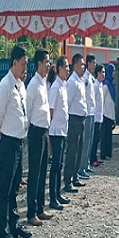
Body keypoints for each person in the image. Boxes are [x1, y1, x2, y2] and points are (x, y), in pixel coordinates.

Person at [0, 45, 32, 238]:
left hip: (18, 142)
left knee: (15, 186)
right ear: (14, 62)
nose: (25, 68)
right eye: (23, 64)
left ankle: (14, 224)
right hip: (8, 143)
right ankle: (3, 231)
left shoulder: (20, 85)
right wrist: (1, 130)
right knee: (5, 189)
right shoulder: (6, 85)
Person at [26, 49, 55, 226]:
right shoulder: (33, 85)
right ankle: (31, 212)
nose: (48, 65)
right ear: (39, 64)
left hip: (44, 131)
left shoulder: (44, 83)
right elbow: (28, 111)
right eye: (46, 62)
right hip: (36, 131)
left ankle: (40, 208)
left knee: (43, 171)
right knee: (34, 173)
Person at [48, 56, 71, 210]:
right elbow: (50, 110)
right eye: (66, 67)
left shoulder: (63, 85)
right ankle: (52, 198)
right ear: (60, 68)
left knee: (60, 164)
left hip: (62, 130)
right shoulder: (55, 87)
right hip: (55, 131)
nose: (68, 70)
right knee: (55, 166)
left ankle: (57, 194)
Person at [63, 53, 87, 193]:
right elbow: (67, 102)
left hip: (81, 119)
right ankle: (67, 180)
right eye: (81, 64)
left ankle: (75, 176)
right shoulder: (72, 82)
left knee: (79, 149)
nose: (83, 67)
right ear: (76, 65)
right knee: (72, 151)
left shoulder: (80, 81)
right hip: (73, 119)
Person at [78, 54, 97, 179]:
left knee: (90, 140)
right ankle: (81, 167)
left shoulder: (90, 77)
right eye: (93, 63)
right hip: (87, 113)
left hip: (92, 112)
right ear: (88, 63)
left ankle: (86, 164)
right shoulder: (85, 78)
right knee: (85, 142)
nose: (94, 65)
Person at [100, 63, 116, 160]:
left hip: (110, 114)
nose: (114, 73)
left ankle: (108, 153)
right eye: (113, 71)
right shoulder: (106, 85)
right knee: (105, 136)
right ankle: (104, 154)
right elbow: (101, 99)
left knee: (109, 136)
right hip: (105, 114)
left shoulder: (111, 84)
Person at [90, 64, 105, 167]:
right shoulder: (95, 86)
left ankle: (95, 157)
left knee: (97, 139)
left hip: (100, 116)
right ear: (98, 73)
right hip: (95, 117)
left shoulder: (100, 85)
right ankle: (92, 159)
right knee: (94, 139)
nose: (103, 74)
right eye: (102, 72)